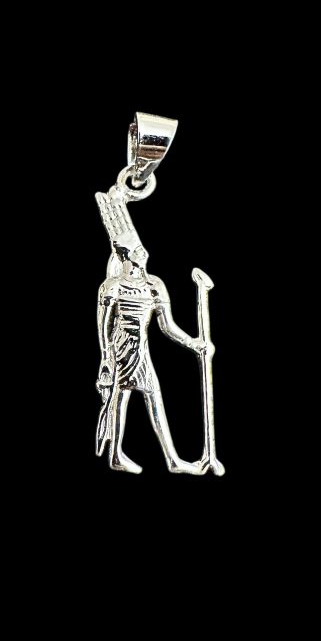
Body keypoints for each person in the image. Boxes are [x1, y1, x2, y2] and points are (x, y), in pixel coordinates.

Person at [96, 188, 210, 474]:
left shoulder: (154, 286)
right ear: (126, 255)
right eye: (136, 249)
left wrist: (194, 343)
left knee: (151, 396)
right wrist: (106, 357)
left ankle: (171, 460)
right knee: (121, 399)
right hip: (122, 349)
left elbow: (167, 326)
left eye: (141, 247)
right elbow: (103, 326)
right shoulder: (112, 287)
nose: (143, 251)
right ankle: (118, 456)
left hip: (142, 351)